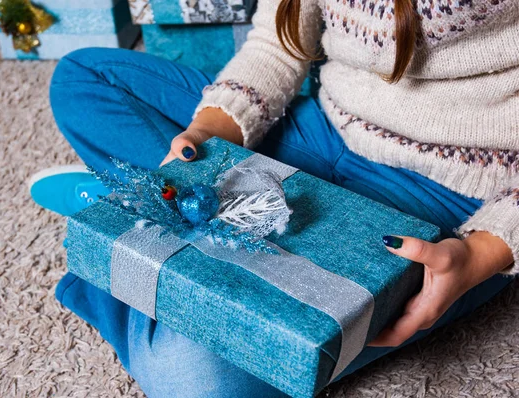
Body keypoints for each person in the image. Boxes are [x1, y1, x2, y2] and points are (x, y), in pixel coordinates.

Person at [30, 0, 518, 395]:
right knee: (86, 80)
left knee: (192, 380)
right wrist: (208, 132)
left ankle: (126, 230)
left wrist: (480, 255)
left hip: (440, 200)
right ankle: (151, 218)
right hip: (317, 131)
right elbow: (278, 46)